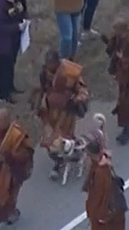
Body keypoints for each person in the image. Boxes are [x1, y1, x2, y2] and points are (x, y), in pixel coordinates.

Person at [32, 49, 89, 181]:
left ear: (57, 63)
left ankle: (61, 162)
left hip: (66, 111)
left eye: (50, 64)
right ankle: (62, 157)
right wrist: (37, 106)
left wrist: (79, 98)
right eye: (47, 64)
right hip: (50, 111)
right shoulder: (44, 73)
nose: (48, 67)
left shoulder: (70, 72)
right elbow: (42, 89)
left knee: (63, 138)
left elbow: (82, 89)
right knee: (50, 139)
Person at [83, 141, 126, 230]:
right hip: (114, 201)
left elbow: (100, 194)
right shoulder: (103, 163)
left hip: (104, 206)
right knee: (118, 223)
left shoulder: (101, 172)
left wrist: (95, 212)